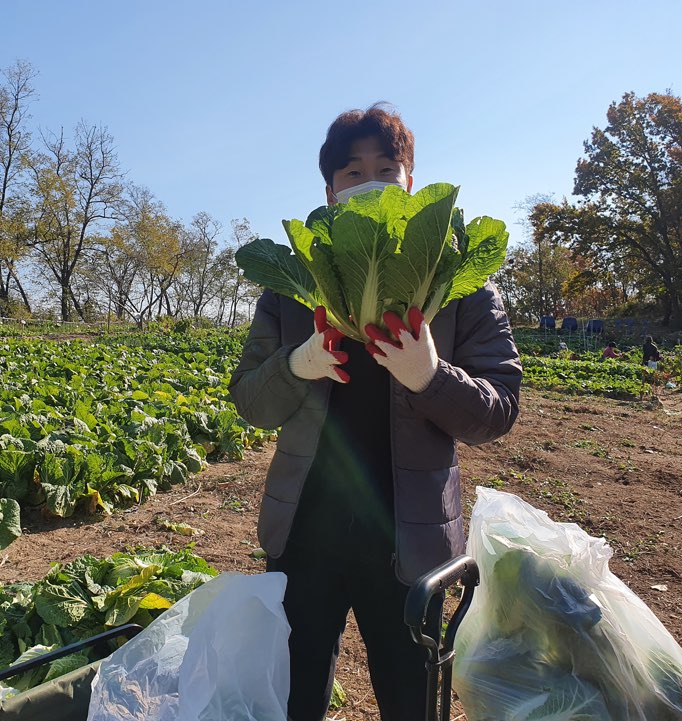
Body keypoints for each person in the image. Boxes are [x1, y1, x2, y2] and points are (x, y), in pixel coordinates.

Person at [228, 104, 522, 721]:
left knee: (410, 695)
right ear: (330, 192)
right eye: (352, 173)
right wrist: (296, 364)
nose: (370, 183)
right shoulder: (292, 284)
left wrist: (429, 377)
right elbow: (250, 401)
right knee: (295, 692)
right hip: (305, 531)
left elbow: (498, 411)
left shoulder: (459, 279)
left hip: (410, 540)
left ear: (410, 183)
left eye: (386, 169)